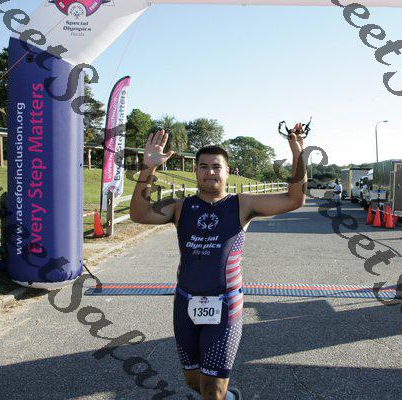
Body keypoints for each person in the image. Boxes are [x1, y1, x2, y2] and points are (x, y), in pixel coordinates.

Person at [130, 125, 307, 399]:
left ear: (227, 171)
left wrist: (298, 152)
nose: (210, 172)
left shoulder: (242, 205)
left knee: (211, 389)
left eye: (216, 167)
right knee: (194, 382)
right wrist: (148, 168)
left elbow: (294, 199)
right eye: (203, 166)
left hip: (225, 305)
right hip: (185, 303)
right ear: (195, 171)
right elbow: (139, 214)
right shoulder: (180, 206)